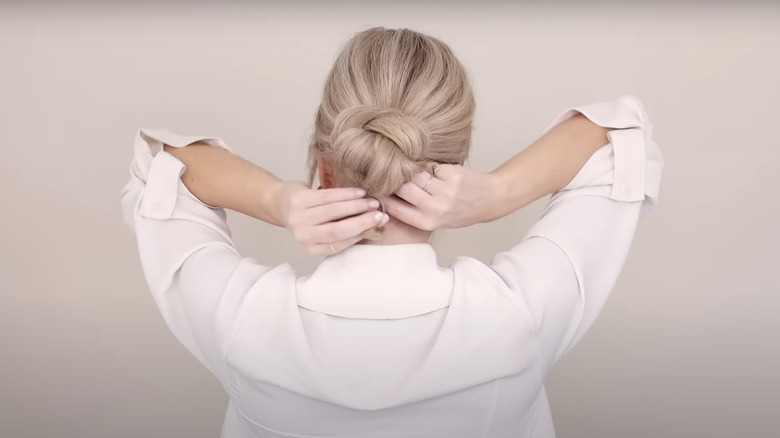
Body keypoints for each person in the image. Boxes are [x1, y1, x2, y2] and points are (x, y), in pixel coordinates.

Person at [122, 27, 663, 438]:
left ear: (324, 164)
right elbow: (618, 134)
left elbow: (160, 166)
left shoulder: (241, 320)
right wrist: (497, 194)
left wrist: (279, 200)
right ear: (456, 165)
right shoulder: (522, 316)